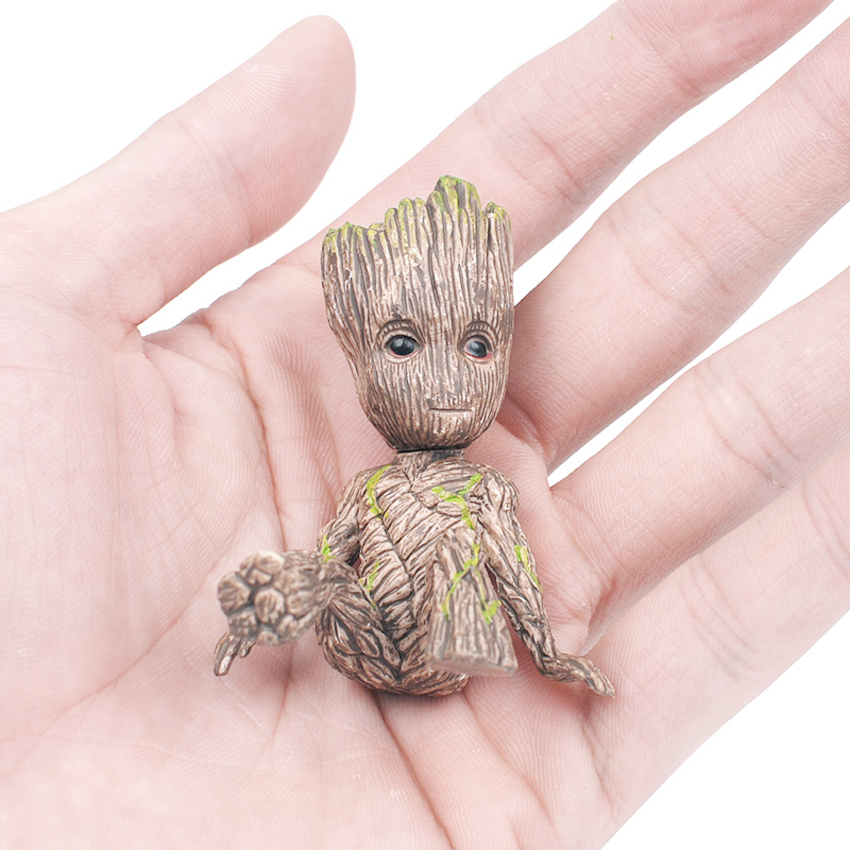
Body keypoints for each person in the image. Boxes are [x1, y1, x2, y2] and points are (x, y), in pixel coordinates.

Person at [2, 4, 849, 847]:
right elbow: (336, 554)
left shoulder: (485, 491)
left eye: (476, 345)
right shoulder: (370, 490)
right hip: (368, 646)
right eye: (404, 345)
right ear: (356, 349)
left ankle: (343, 606)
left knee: (432, 561)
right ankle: (290, 605)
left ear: (503, 349)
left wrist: (549, 652)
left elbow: (513, 574)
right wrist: (299, 593)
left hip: (450, 657)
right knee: (332, 579)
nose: (445, 379)